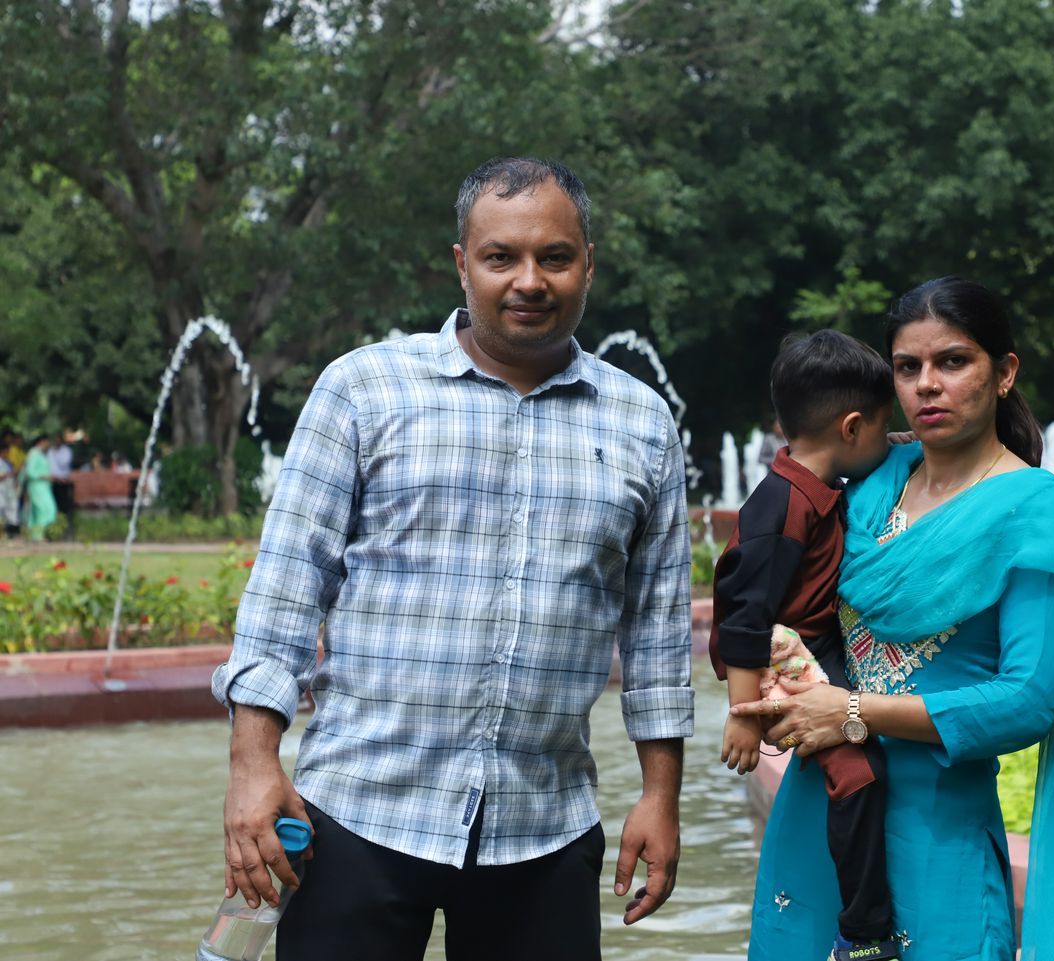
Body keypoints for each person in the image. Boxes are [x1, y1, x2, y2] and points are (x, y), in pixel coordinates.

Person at [211, 157, 694, 961]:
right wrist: (253, 765)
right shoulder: (364, 390)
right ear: (463, 264)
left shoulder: (642, 423)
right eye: (502, 256)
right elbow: (284, 594)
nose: (529, 280)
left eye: (555, 257)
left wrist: (660, 794)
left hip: (543, 825)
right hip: (357, 814)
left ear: (588, 263)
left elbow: (657, 633)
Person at [733, 277, 1054, 961]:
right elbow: (768, 586)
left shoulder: (1032, 510)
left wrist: (852, 712)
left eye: (953, 361)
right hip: (818, 811)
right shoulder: (870, 482)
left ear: (1004, 373)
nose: (927, 384)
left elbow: (1027, 700)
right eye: (908, 367)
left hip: (938, 833)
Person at [710, 330, 898, 961]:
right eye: (883, 428)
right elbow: (745, 614)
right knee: (859, 773)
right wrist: (745, 714)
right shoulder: (782, 505)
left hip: (815, 645)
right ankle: (863, 932)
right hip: (788, 657)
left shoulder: (813, 484)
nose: (889, 439)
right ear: (852, 428)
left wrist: (905, 440)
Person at [23, 435, 57, 542]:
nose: (48, 444)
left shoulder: (41, 454)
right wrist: (44, 476)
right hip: (37, 486)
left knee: (43, 510)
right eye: (47, 441)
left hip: (44, 487)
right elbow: (29, 472)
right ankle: (38, 536)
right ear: (42, 441)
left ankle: (38, 535)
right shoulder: (34, 453)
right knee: (43, 509)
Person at [48, 431, 76, 540]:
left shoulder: (66, 451)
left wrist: (55, 454)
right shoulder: (50, 451)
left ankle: (67, 532)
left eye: (58, 440)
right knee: (53, 507)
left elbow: (63, 463)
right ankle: (55, 531)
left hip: (64, 483)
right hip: (53, 482)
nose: (56, 442)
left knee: (65, 509)